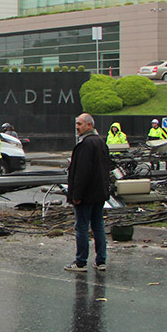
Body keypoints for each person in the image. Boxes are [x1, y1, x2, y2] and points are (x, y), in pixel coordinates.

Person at [65, 113, 111, 272]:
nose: (77, 127)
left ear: (89, 125)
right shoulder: (100, 142)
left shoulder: (86, 144)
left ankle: (80, 262)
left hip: (86, 196)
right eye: (76, 124)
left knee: (82, 227)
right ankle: (101, 261)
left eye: (80, 124)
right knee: (98, 226)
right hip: (99, 194)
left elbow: (82, 173)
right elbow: (107, 168)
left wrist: (76, 195)